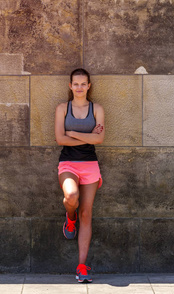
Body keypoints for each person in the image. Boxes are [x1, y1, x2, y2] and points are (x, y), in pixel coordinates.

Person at [54, 68, 105, 283]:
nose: (80, 87)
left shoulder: (97, 109)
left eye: (83, 84)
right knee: (71, 196)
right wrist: (88, 137)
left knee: (87, 213)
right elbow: (59, 139)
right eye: (76, 84)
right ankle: (70, 218)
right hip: (68, 163)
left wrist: (73, 133)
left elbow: (100, 139)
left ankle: (82, 266)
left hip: (90, 165)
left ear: (89, 86)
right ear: (70, 86)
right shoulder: (62, 109)